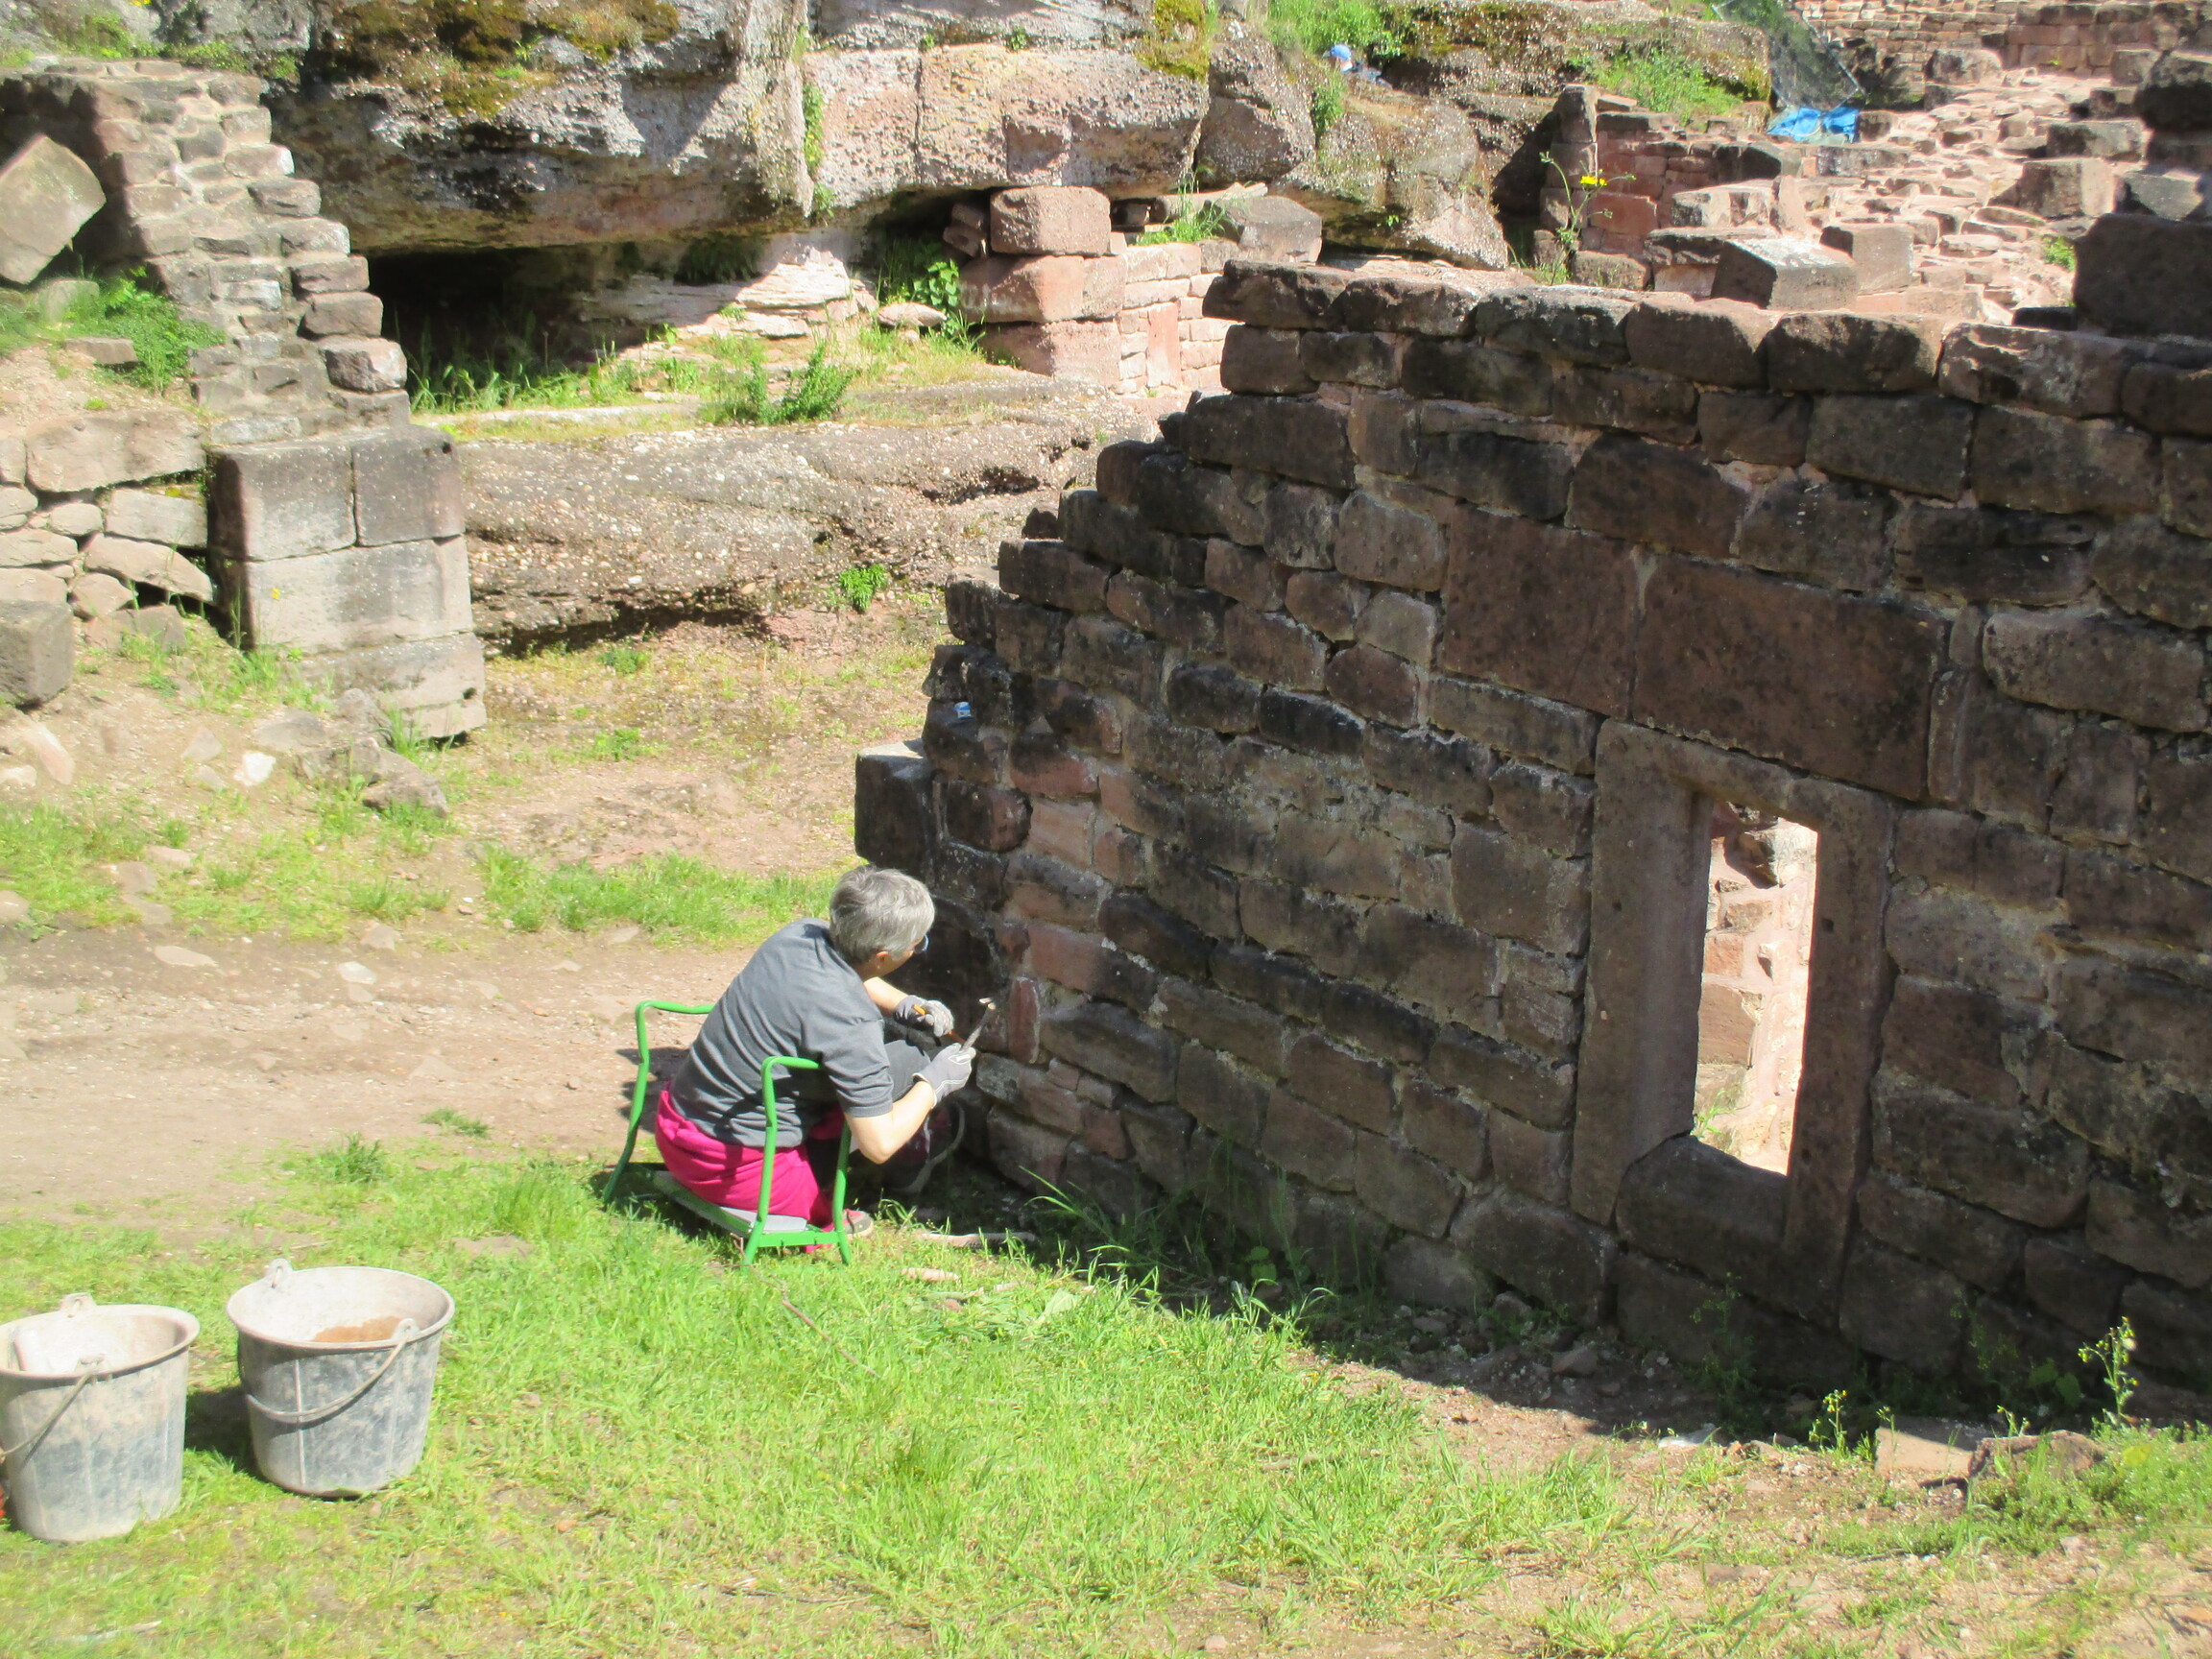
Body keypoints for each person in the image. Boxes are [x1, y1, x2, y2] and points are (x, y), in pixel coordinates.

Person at [654, 866, 974, 1236]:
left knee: (902, 1059)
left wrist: (903, 1002)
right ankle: (901, 1167)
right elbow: (879, 1143)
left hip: (679, 1129)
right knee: (915, 1065)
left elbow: (848, 973)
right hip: (738, 1171)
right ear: (883, 957)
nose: (918, 949)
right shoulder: (852, 1023)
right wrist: (934, 1084)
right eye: (919, 944)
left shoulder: (797, 936)